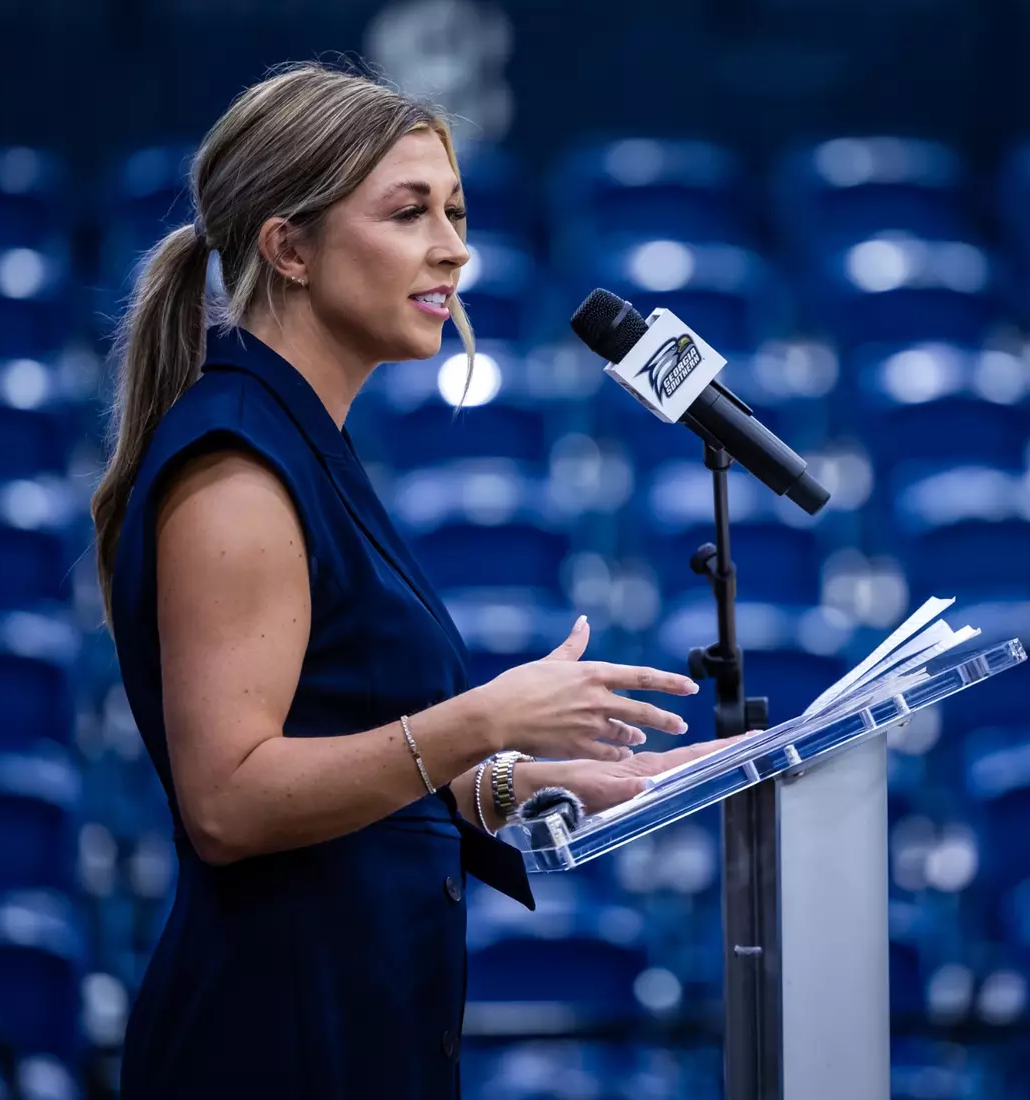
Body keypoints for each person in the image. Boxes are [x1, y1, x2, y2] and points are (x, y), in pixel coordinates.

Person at [91, 63, 731, 1097]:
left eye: (456, 212)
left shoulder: (305, 441)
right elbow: (231, 802)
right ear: (289, 248)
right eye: (409, 212)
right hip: (273, 1048)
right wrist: (484, 719)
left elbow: (348, 749)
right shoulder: (239, 468)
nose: (454, 247)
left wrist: (512, 783)